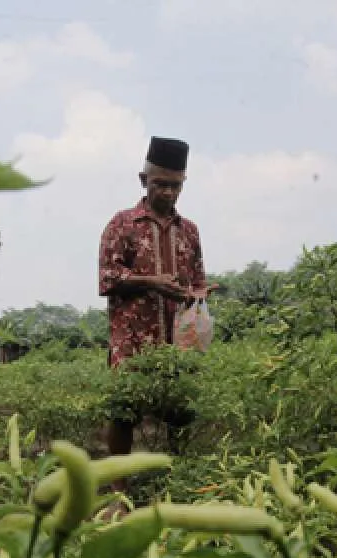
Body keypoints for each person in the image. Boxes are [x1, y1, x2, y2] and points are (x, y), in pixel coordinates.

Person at [97, 136, 215, 498]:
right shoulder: (122, 224)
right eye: (159, 183)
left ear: (183, 184)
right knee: (123, 413)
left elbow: (196, 277)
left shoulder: (190, 230)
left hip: (178, 338)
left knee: (179, 409)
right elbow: (107, 279)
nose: (167, 192)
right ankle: (120, 491)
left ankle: (175, 482)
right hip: (133, 337)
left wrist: (199, 292)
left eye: (175, 185)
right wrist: (153, 283)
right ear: (143, 180)